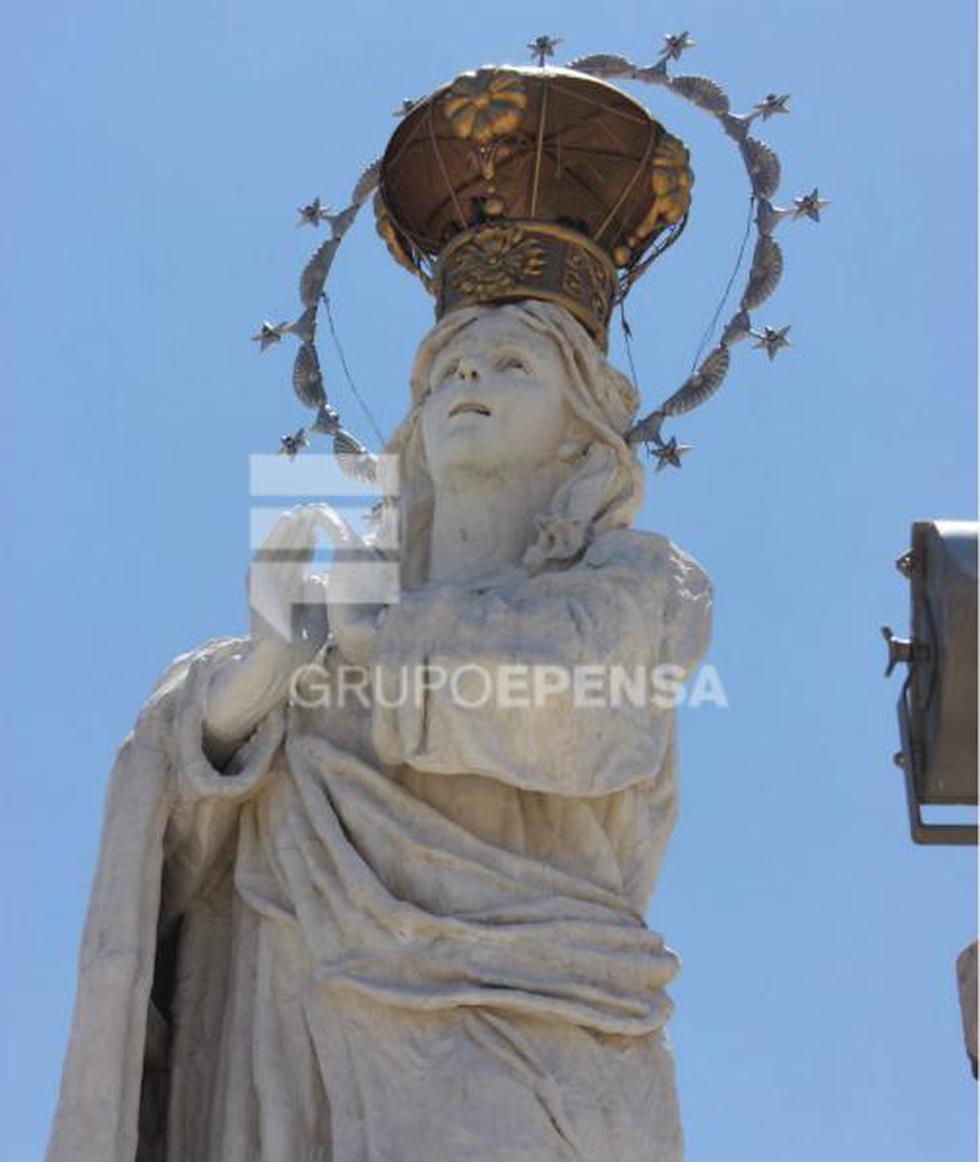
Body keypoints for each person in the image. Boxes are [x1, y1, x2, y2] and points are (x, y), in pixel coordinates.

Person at [48, 300, 711, 1162]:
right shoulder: (325, 618)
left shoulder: (638, 582)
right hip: (285, 1032)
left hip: (525, 1032)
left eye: (514, 364)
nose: (467, 379)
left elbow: (589, 714)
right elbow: (180, 784)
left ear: (576, 435)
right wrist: (256, 680)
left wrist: (377, 635)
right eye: (445, 372)